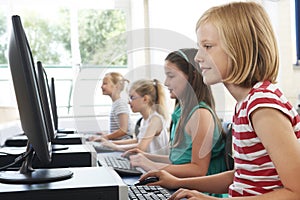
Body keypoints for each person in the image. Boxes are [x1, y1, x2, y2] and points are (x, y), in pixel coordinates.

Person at [141, 2, 300, 199]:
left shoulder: (263, 106)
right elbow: (241, 176)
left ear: (239, 48)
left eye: (207, 46)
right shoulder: (245, 104)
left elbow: (296, 192)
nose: (198, 57)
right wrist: (178, 182)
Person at [124, 49, 228, 197]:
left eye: (171, 76)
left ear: (191, 77)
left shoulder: (201, 115)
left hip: (202, 193)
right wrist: (146, 156)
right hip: (184, 186)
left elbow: (198, 169)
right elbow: (179, 159)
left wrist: (152, 166)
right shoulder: (181, 111)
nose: (166, 82)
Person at [99, 79, 170, 154]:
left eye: (132, 97)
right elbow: (137, 140)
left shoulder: (155, 120)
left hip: (156, 164)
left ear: (145, 99)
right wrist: (112, 143)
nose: (129, 102)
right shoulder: (144, 120)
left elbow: (140, 147)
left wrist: (115, 147)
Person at [88, 72, 132, 141]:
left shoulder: (120, 104)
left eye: (105, 84)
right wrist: (107, 134)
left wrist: (104, 137)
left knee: (91, 144)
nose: (101, 86)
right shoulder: (116, 103)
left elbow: (123, 131)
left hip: (122, 142)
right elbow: (118, 129)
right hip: (117, 141)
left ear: (116, 86)